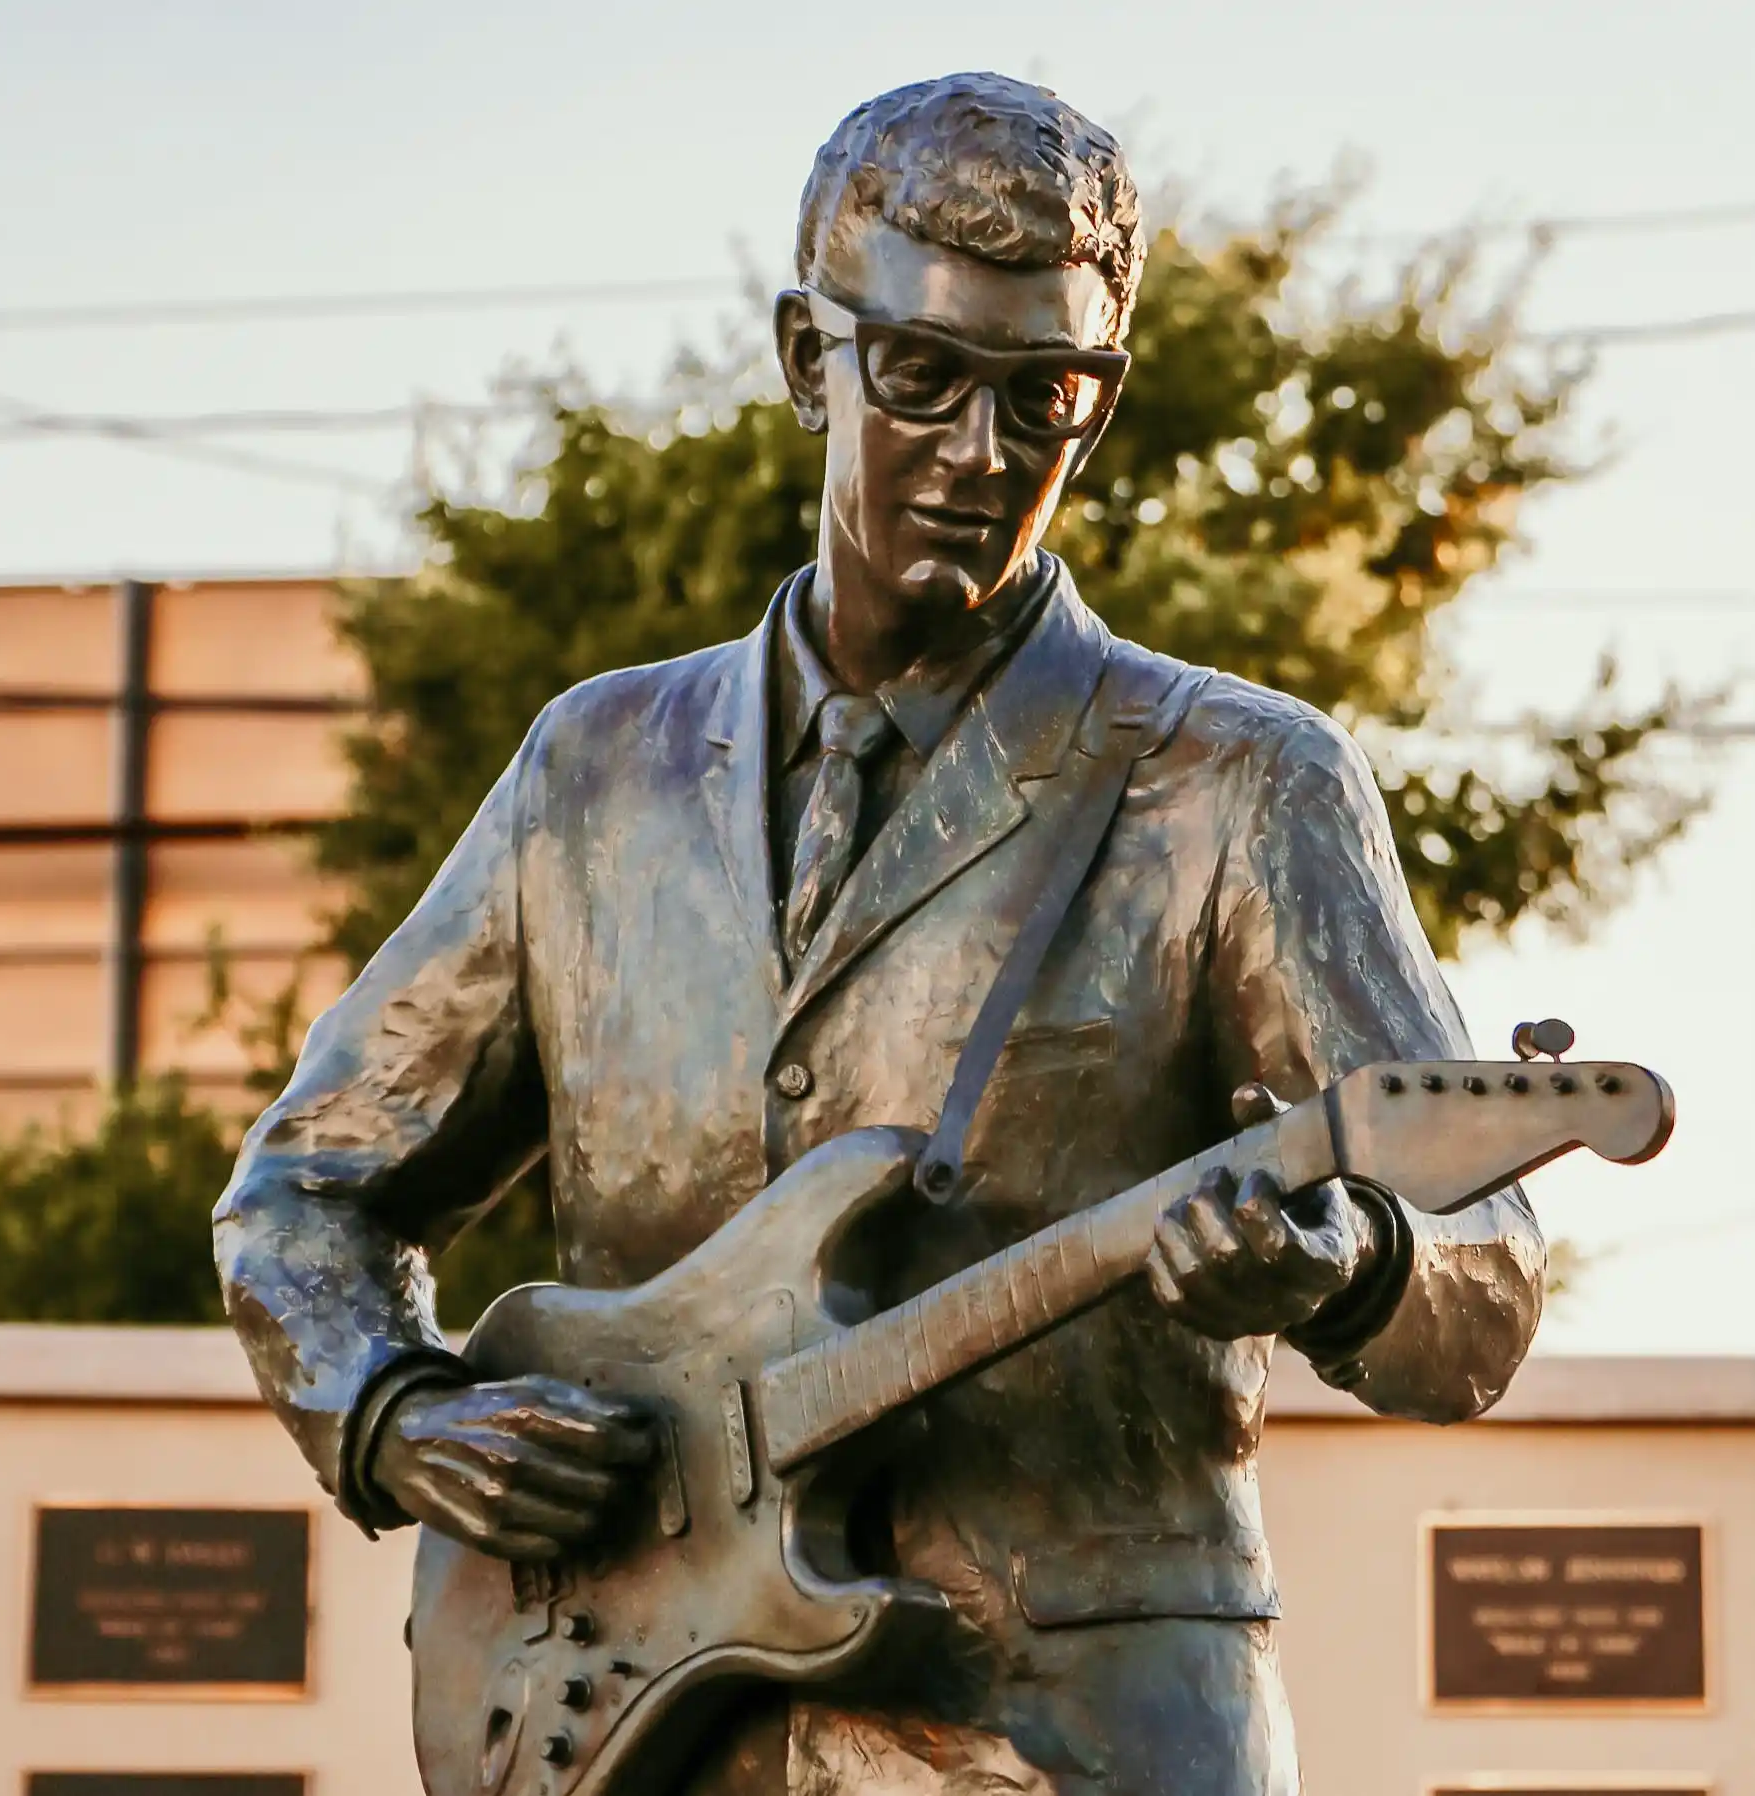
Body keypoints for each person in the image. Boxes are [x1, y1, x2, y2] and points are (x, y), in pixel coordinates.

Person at [214, 71, 1544, 1795]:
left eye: (1044, 397)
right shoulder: (592, 775)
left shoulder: (1244, 783)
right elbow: (308, 1191)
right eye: (920, 379)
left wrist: (1348, 1263)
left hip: (1079, 1741)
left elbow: (1486, 1281)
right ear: (804, 358)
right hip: (636, 1731)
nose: (981, 458)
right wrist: (399, 1417)